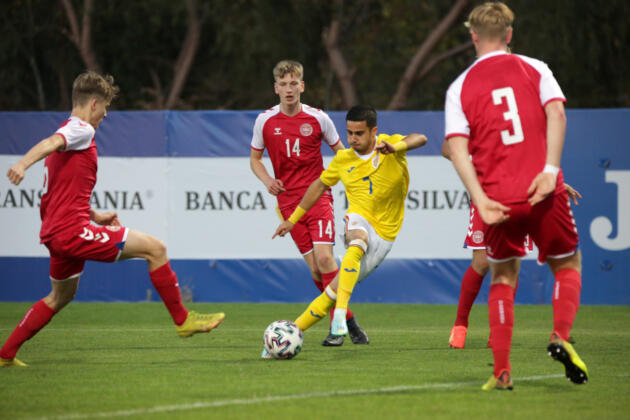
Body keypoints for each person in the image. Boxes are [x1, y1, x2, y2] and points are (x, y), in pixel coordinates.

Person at [0, 72, 225, 367]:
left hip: (56, 233)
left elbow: (61, 193)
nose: (104, 116)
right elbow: (50, 142)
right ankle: (183, 320)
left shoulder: (69, 132)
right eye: (105, 109)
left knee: (59, 297)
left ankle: (5, 355)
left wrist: (96, 215)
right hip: (71, 232)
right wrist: (22, 163)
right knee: (155, 249)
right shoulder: (81, 129)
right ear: (94, 104)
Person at [444, 2, 588, 390]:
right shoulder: (536, 68)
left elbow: (456, 148)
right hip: (542, 189)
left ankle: (502, 372)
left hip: (497, 198)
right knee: (567, 263)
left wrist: (480, 198)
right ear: (509, 34)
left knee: (503, 275)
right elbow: (557, 115)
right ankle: (560, 335)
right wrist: (550, 171)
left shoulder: (459, 87)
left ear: (473, 36)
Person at [272, 105, 427, 350]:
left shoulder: (388, 145)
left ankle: (290, 332)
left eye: (359, 133)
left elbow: (421, 138)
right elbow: (318, 186)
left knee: (331, 293)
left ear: (373, 131)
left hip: (385, 233)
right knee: (357, 239)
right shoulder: (343, 160)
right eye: (349, 133)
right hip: (359, 217)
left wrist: (396, 147)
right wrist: (292, 219)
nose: (353, 139)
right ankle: (339, 314)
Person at [250, 60, 368, 346]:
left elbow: (342, 153)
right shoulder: (265, 121)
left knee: (326, 259)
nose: (289, 89)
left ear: (302, 86)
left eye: (294, 83)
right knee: (316, 269)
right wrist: (267, 180)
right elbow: (255, 159)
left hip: (318, 196)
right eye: (283, 84)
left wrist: (352, 180)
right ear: (276, 88)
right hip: (288, 203)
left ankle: (337, 327)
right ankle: (350, 321)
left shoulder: (318, 118)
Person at [442, 139, 583, 349]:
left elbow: (527, 163)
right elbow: (448, 148)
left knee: (509, 265)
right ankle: (460, 325)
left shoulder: (522, 131)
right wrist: (476, 158)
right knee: (482, 262)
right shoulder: (478, 127)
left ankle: (497, 333)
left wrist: (556, 183)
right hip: (486, 198)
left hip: (518, 199)